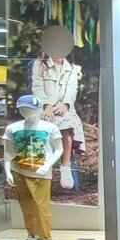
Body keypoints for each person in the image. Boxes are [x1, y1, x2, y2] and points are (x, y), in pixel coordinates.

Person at [3, 94, 63, 240]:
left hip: (40, 173)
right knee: (26, 207)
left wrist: (47, 165)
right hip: (19, 171)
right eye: (22, 109)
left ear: (38, 109)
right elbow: (8, 152)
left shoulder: (49, 128)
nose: (25, 112)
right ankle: (32, 236)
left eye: (29, 109)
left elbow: (59, 149)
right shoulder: (13, 128)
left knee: (41, 207)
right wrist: (8, 171)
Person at [31, 26, 86, 190]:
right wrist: (47, 105)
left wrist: (65, 104)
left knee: (68, 123)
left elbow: (72, 89)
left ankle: (65, 166)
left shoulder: (71, 68)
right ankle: (44, 165)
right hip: (44, 107)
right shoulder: (39, 65)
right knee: (43, 123)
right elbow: (37, 87)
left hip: (63, 108)